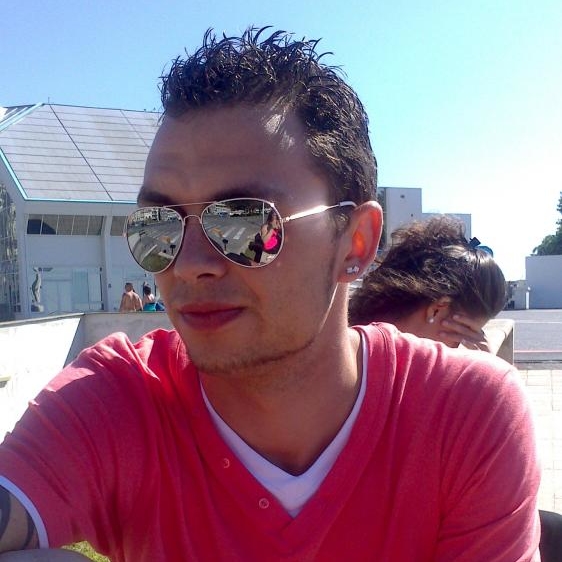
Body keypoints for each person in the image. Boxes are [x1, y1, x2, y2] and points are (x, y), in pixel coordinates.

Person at [0, 27, 541, 561]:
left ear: (356, 242)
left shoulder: (463, 414)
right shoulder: (121, 399)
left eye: (243, 222)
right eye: (159, 225)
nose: (189, 264)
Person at [349, 215, 561, 562]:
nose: (463, 353)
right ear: (437, 310)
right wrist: (488, 385)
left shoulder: (348, 346)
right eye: (463, 337)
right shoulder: (432, 391)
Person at [348, 215, 507, 351]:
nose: (457, 349)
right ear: (437, 310)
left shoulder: (352, 340)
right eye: (464, 335)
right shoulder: (389, 364)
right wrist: (487, 371)